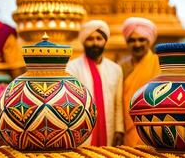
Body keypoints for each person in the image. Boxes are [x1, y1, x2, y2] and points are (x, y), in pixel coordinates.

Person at [67, 20, 124, 146]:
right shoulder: (71, 69)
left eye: (99, 38)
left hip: (108, 128)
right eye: (90, 39)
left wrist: (119, 129)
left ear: (105, 41)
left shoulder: (115, 69)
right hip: (80, 132)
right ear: (83, 41)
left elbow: (118, 103)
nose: (95, 43)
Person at [120, 17, 161, 147]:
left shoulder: (160, 64)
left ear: (149, 41)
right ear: (127, 42)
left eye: (141, 39)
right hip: (128, 130)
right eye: (132, 40)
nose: (137, 44)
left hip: (155, 130)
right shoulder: (121, 67)